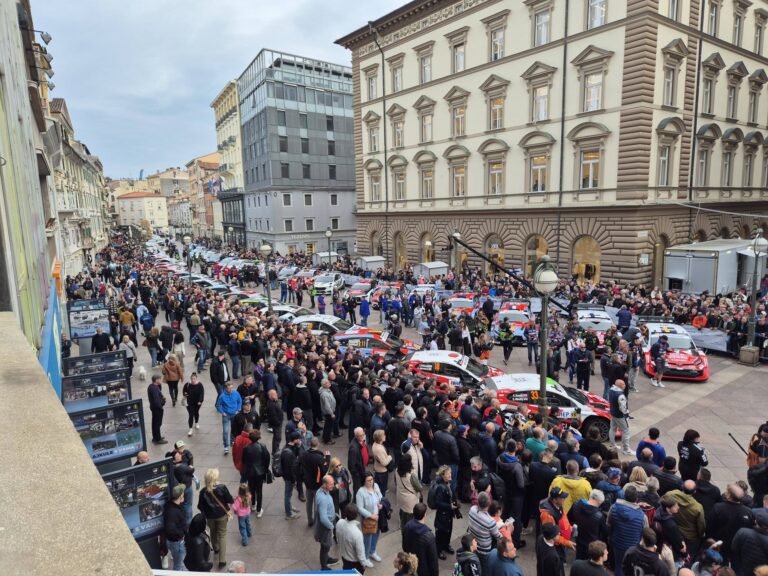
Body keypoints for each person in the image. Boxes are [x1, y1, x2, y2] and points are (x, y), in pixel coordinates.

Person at [197, 468, 234, 570]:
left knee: (213, 531)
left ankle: (216, 548)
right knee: (222, 534)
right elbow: (230, 500)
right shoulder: (222, 488)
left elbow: (200, 506)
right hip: (222, 515)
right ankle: (222, 560)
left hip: (210, 517)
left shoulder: (203, 492)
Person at [607, 484, 648, 576]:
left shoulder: (613, 508)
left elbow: (609, 525)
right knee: (631, 569)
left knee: (618, 566)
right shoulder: (643, 516)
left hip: (617, 543)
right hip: (634, 547)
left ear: (624, 496)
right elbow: (645, 533)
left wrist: (610, 537)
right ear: (636, 499)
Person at [709, 483, 754, 565]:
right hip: (738, 547)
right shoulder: (748, 512)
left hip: (720, 545)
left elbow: (710, 527)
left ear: (729, 495)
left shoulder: (718, 508)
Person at [666, 480, 706, 560]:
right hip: (689, 537)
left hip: (673, 531)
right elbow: (701, 526)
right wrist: (702, 534)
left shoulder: (670, 494)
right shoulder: (697, 507)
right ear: (694, 491)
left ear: (682, 487)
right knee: (688, 557)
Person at [468, 491, 504, 573]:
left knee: (474, 565)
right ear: (489, 504)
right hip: (483, 550)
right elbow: (498, 536)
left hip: (472, 544)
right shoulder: (490, 521)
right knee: (485, 569)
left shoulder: (472, 509)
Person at [568, 489, 607, 560]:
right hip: (593, 546)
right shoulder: (600, 516)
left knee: (579, 561)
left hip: (579, 540)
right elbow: (604, 533)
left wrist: (575, 526)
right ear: (600, 502)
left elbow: (568, 519)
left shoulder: (576, 504)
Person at [301, 436, 330, 527]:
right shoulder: (319, 457)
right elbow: (324, 470)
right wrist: (328, 458)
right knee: (317, 504)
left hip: (307, 483)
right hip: (317, 484)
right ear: (318, 444)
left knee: (309, 503)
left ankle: (310, 520)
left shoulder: (304, 454)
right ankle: (317, 522)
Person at [395, 453, 423, 548]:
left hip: (401, 497)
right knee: (411, 520)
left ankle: (403, 533)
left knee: (403, 516)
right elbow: (419, 488)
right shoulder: (411, 475)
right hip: (411, 501)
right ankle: (409, 538)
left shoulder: (396, 471)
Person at [403, 503, 439, 576]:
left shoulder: (407, 526)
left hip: (411, 564)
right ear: (424, 515)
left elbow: (404, 546)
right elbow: (433, 560)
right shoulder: (429, 536)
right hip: (423, 570)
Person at [336, 503, 373, 572]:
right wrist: (363, 564)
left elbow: (338, 538)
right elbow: (360, 553)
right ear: (356, 515)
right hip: (354, 563)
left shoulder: (339, 523)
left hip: (344, 558)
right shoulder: (357, 533)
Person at [731, 508, 768, 576]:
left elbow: (733, 548)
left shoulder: (742, 532)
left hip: (742, 571)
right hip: (761, 573)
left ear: (755, 521)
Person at [241, 430, 270, 518]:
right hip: (260, 472)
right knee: (259, 491)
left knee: (252, 489)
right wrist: (265, 468)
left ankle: (253, 505)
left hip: (250, 472)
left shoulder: (246, 448)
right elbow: (267, 459)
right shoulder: (262, 446)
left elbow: (243, 460)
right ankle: (259, 509)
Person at [356, 471, 383, 562]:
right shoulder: (360, 492)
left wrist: (381, 504)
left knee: (376, 535)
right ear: (364, 481)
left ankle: (372, 551)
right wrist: (371, 515)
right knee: (367, 539)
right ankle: (365, 557)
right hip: (368, 519)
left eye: (371, 479)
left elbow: (380, 496)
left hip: (378, 516)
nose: (371, 482)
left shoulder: (376, 486)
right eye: (368, 480)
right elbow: (360, 508)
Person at [315, 475, 340, 571]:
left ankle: (326, 559)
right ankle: (324, 566)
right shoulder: (322, 498)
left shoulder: (323, 491)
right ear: (324, 484)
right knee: (325, 546)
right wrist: (331, 526)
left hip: (328, 524)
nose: (333, 485)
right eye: (331, 484)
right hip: (325, 527)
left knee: (325, 546)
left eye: (333, 483)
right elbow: (323, 518)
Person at [433, 465, 458, 560]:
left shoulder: (449, 483)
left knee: (448, 530)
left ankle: (446, 545)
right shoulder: (440, 487)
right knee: (441, 533)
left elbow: (452, 496)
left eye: (450, 473)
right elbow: (438, 503)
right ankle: (439, 550)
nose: (450, 475)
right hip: (442, 515)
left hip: (449, 514)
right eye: (448, 474)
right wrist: (449, 506)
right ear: (443, 475)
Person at [164, 484, 188, 571]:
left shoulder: (172, 505)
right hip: (177, 543)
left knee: (179, 562)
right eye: (183, 493)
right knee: (178, 565)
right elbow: (170, 529)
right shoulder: (173, 512)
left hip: (175, 542)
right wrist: (182, 533)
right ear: (180, 495)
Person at [216, 382, 242, 455]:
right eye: (229, 388)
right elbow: (218, 405)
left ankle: (232, 440)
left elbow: (239, 401)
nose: (230, 389)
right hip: (226, 415)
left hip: (234, 414)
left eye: (231, 388)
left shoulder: (236, 393)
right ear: (225, 388)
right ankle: (226, 446)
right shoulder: (222, 396)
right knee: (225, 431)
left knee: (234, 429)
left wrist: (238, 409)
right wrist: (222, 412)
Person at [281, 432, 303, 520]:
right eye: (299, 439)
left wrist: (298, 447)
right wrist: (294, 480)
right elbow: (290, 469)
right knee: (288, 494)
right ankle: (289, 513)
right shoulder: (288, 453)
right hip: (289, 477)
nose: (300, 440)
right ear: (295, 440)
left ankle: (289, 506)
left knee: (288, 494)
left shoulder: (289, 447)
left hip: (287, 476)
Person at [608, 379, 633, 455]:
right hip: (620, 416)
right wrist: (626, 413)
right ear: (620, 385)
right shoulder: (620, 395)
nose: (625, 385)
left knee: (612, 429)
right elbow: (622, 408)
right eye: (623, 384)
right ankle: (626, 449)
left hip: (613, 413)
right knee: (626, 431)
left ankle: (613, 445)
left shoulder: (611, 390)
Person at [348, 427, 370, 496]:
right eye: (360, 436)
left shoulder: (361, 440)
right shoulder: (353, 449)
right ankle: (355, 504)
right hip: (358, 474)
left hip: (361, 469)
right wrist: (357, 474)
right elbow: (351, 465)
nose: (362, 437)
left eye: (363, 435)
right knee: (357, 491)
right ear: (356, 436)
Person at [182, 372, 205, 436]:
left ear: (196, 378)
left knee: (196, 412)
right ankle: (190, 429)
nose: (193, 380)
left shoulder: (200, 385)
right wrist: (185, 394)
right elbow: (184, 391)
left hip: (197, 402)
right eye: (192, 379)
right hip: (189, 402)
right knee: (191, 414)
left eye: (194, 379)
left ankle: (196, 422)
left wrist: (200, 401)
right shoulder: (187, 384)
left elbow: (202, 393)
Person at [371, 429, 392, 495]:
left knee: (378, 488)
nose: (385, 436)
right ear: (380, 438)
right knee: (382, 490)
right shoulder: (379, 449)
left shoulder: (375, 444)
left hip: (377, 468)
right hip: (381, 471)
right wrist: (389, 457)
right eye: (383, 435)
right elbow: (384, 463)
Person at [148, 374, 167, 444]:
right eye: (160, 379)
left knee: (155, 423)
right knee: (157, 424)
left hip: (154, 408)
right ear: (156, 380)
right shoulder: (154, 388)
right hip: (157, 408)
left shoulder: (153, 386)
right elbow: (156, 400)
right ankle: (158, 439)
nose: (161, 380)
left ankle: (156, 436)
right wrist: (161, 405)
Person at [319, 378, 337, 445]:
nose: (329, 383)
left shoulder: (326, 390)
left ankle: (325, 437)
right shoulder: (324, 394)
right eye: (328, 383)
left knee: (327, 425)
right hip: (329, 412)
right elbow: (327, 406)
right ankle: (327, 440)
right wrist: (332, 414)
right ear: (325, 385)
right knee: (328, 426)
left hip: (330, 411)